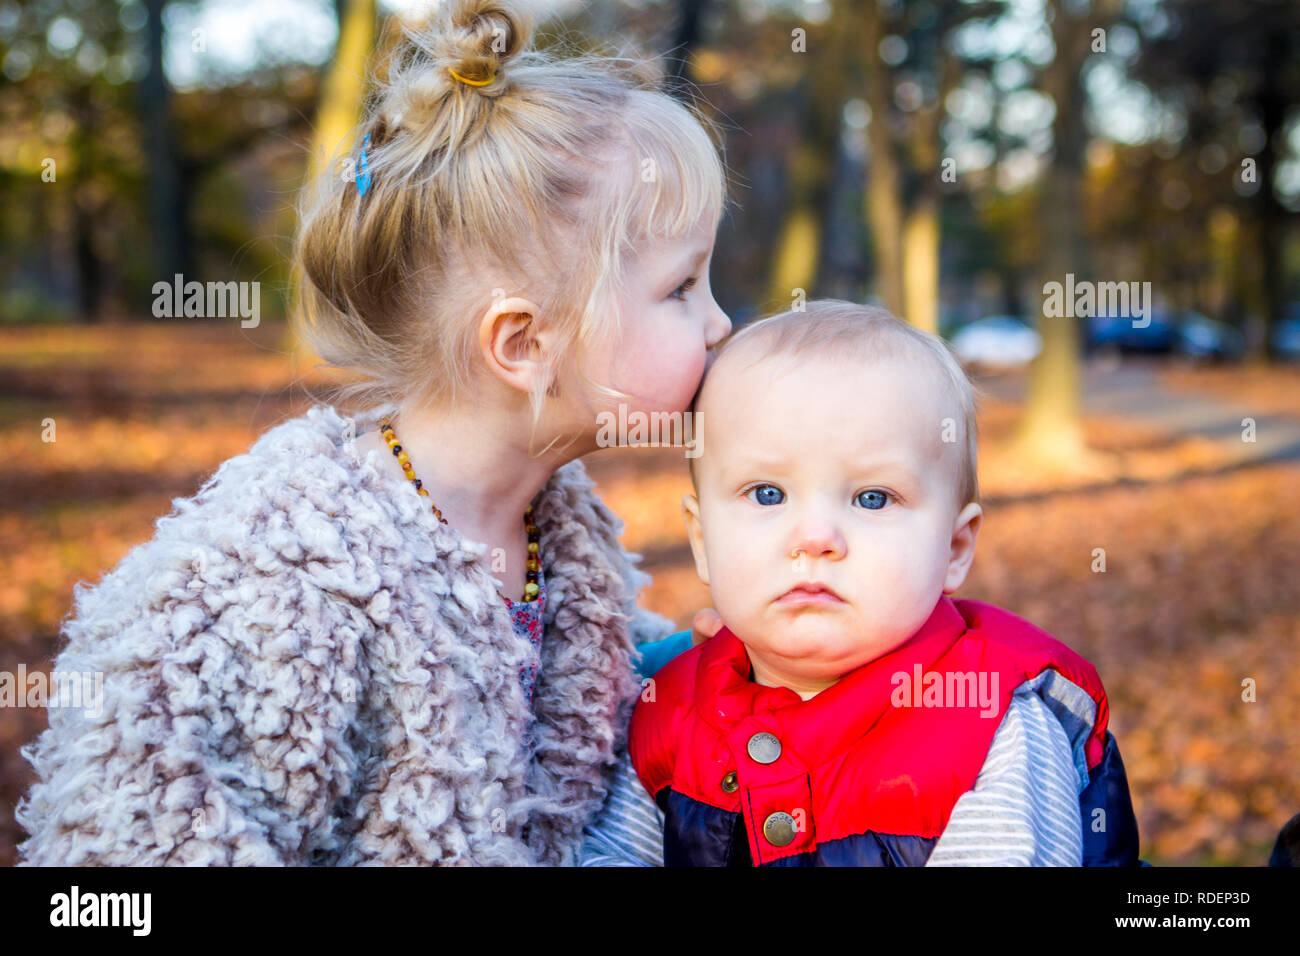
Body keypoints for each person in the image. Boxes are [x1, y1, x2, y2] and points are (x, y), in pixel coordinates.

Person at [15, 0, 732, 866]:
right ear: (524, 343)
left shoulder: (565, 548)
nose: (721, 324)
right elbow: (126, 844)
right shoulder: (267, 596)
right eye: (683, 286)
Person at [581, 299, 1141, 866]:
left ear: (953, 548)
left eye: (872, 497)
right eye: (767, 493)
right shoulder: (669, 714)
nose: (816, 537)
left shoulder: (993, 725)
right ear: (703, 542)